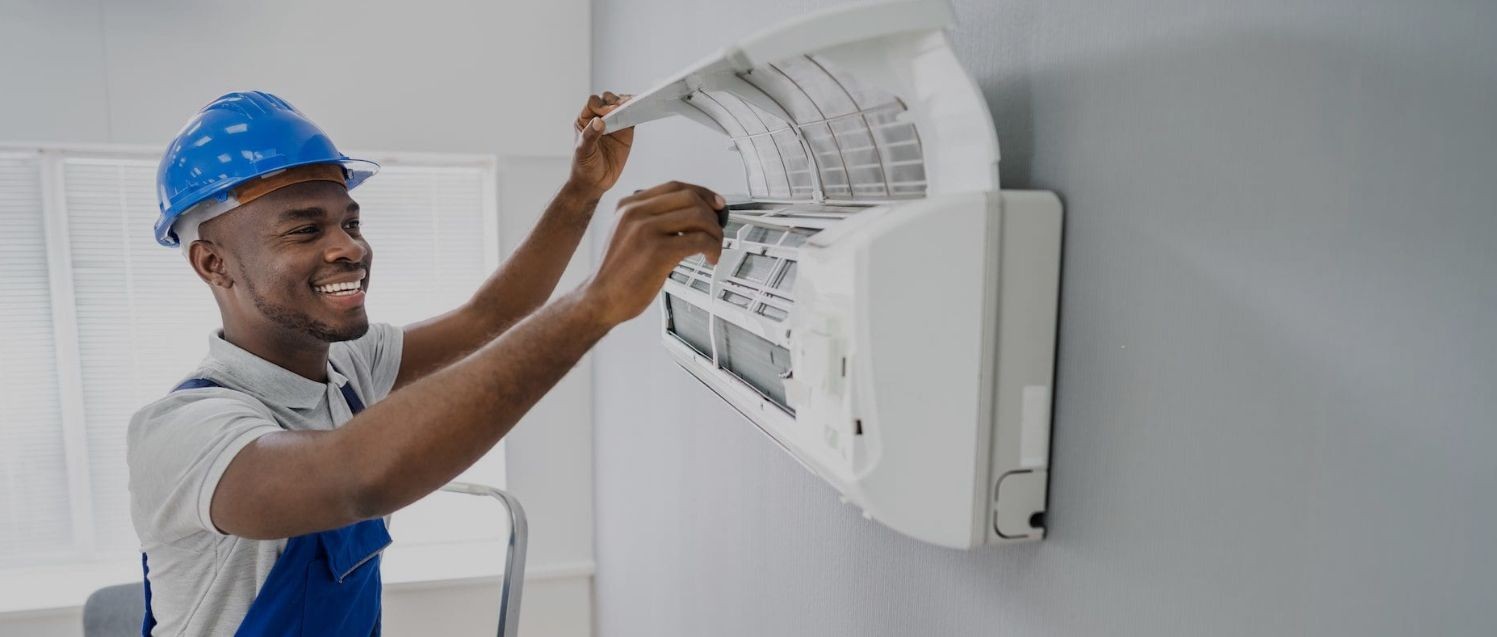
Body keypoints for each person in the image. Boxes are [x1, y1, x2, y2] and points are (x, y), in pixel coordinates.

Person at [127, 90, 724, 635]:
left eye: (350, 222)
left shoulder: (348, 368)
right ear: (212, 263)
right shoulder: (183, 433)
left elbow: (492, 315)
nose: (348, 248)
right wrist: (595, 304)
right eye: (306, 230)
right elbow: (355, 479)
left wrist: (581, 192)